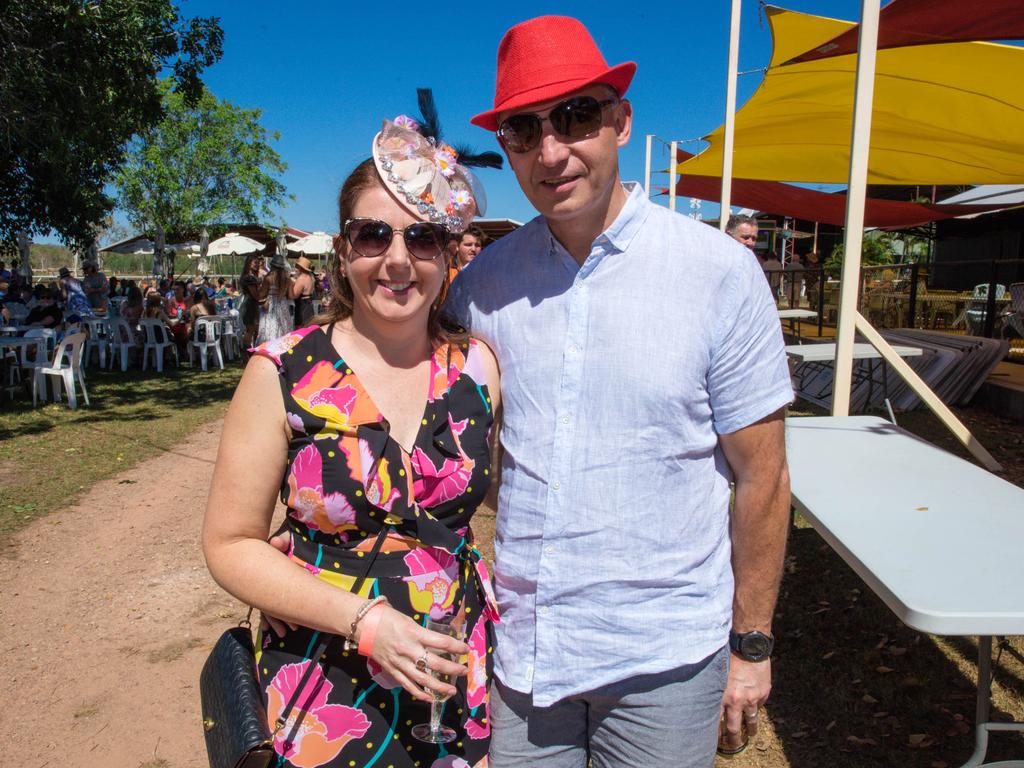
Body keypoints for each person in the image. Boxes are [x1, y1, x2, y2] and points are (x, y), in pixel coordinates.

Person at [444, 16, 793, 766]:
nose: (551, 150)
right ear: (504, 145)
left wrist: (752, 647)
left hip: (664, 656)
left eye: (575, 116)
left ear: (621, 122)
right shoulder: (480, 289)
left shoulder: (718, 275)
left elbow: (762, 477)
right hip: (524, 655)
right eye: (523, 128)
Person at [202, 113, 500, 768]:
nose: (397, 258)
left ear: (446, 253)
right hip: (323, 684)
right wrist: (361, 621)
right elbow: (228, 544)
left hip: (452, 678)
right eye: (374, 235)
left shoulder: (478, 367)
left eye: (421, 237)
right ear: (343, 251)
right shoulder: (280, 372)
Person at [256, 253, 294, 344]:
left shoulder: (269, 278)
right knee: (283, 328)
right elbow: (290, 295)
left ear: (272, 265)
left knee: (269, 330)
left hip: (271, 305)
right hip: (283, 304)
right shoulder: (287, 279)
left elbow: (262, 294)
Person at [238, 254, 263, 352]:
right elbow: (255, 295)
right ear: (249, 263)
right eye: (255, 263)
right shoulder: (248, 278)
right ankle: (245, 353)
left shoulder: (253, 277)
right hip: (249, 306)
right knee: (250, 330)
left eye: (258, 263)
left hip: (254, 305)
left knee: (257, 330)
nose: (257, 265)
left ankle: (253, 351)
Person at [288, 254, 317, 327]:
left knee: (301, 330)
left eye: (297, 266)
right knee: (308, 329)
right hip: (309, 305)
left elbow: (293, 296)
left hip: (302, 308)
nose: (295, 268)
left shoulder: (301, 278)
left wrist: (290, 284)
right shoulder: (310, 277)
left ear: (301, 268)